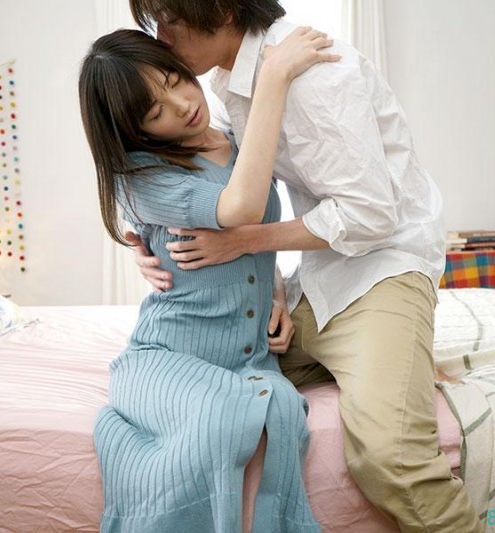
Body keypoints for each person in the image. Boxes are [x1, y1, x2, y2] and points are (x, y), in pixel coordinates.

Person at [125, 1, 484, 531]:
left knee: (391, 459)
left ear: (219, 9)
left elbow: (369, 215)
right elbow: (217, 182)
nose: (163, 38)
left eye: (169, 19)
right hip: (318, 281)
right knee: (224, 392)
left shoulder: (312, 75)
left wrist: (243, 242)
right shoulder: (232, 81)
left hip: (382, 268)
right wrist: (144, 238)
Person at [79, 28, 339, 532]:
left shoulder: (241, 143)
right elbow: (240, 209)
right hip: (169, 356)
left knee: (283, 415)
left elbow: (254, 241)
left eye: (175, 80)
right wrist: (274, 76)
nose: (182, 105)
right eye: (155, 111)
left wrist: (276, 294)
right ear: (133, 130)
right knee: (222, 423)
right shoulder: (140, 178)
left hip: (251, 359)